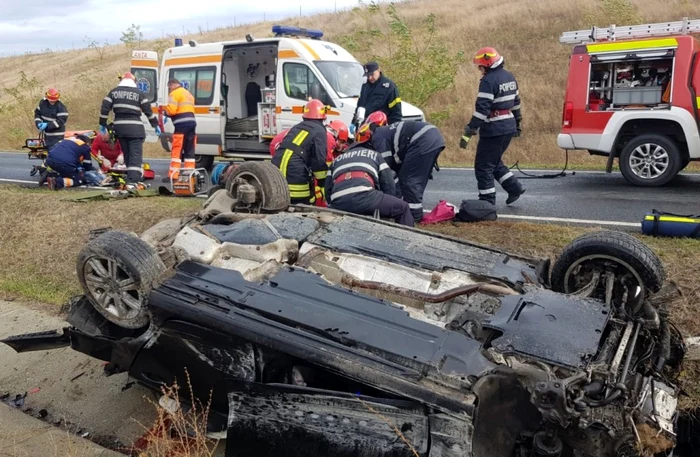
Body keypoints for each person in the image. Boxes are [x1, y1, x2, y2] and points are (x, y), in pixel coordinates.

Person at [460, 47, 525, 206]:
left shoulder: (489, 81)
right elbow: (516, 103)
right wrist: (517, 123)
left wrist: (470, 130)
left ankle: (487, 202)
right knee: (493, 161)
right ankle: (514, 188)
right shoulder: (509, 76)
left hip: (494, 128)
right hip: (508, 126)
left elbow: (482, 110)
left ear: (488, 64)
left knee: (483, 166)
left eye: (480, 66)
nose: (479, 69)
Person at [325, 127, 413, 227]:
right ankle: (408, 240)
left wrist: (334, 204)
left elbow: (327, 190)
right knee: (402, 208)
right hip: (366, 197)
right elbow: (388, 184)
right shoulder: (375, 155)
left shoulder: (337, 160)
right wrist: (387, 201)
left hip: (338, 202)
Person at [369, 119, 446, 223]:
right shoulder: (386, 132)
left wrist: (390, 200)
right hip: (432, 137)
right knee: (408, 179)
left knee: (409, 181)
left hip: (423, 139)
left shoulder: (378, 137)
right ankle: (411, 213)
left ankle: (414, 218)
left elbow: (387, 170)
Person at [99, 72, 160, 189]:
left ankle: (130, 177)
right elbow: (148, 110)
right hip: (135, 129)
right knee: (135, 156)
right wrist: (155, 124)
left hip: (120, 129)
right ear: (134, 81)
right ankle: (133, 180)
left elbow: (105, 107)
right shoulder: (139, 93)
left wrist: (102, 123)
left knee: (127, 154)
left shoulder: (113, 92)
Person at [271, 99, 329, 205]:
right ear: (323, 117)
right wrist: (323, 186)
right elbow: (319, 161)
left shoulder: (296, 127)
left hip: (276, 170)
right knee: (303, 208)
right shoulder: (320, 131)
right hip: (295, 173)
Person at [45, 133, 111, 190]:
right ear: (87, 143)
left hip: (49, 160)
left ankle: (47, 175)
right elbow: (87, 166)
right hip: (64, 164)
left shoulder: (66, 140)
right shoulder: (85, 147)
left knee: (68, 172)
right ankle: (57, 182)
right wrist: (96, 170)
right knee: (79, 180)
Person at [352, 61, 402, 131]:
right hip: (364, 128)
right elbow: (360, 106)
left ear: (378, 70)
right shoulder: (365, 86)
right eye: (367, 75)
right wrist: (354, 123)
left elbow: (396, 113)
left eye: (372, 74)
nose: (370, 77)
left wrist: (393, 131)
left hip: (380, 129)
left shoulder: (389, 87)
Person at [163, 78, 197, 180]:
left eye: (169, 87)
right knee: (189, 150)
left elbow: (172, 111)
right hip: (192, 124)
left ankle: (173, 175)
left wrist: (165, 111)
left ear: (172, 85)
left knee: (177, 149)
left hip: (181, 125)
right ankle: (189, 175)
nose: (170, 89)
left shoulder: (174, 94)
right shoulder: (188, 94)